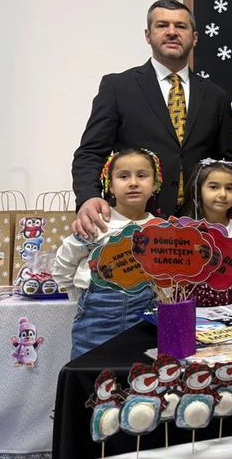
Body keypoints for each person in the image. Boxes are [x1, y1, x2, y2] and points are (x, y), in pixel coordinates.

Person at [71, 0, 232, 239]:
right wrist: (88, 196)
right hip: (134, 225)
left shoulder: (216, 96)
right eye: (162, 25)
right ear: (148, 35)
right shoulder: (118, 87)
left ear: (195, 37)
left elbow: (229, 161)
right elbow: (91, 153)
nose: (172, 32)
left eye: (181, 26)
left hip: (200, 227)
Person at [54, 149, 161, 359]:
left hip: (145, 320)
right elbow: (64, 264)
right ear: (110, 186)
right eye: (123, 176)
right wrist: (81, 295)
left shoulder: (161, 229)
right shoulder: (95, 224)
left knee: (139, 374)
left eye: (141, 175)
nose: (133, 183)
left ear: (155, 184)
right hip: (95, 320)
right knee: (90, 371)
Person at [179, 158, 232, 306]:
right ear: (198, 190)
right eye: (214, 187)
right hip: (191, 306)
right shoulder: (184, 232)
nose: (223, 194)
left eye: (229, 188)